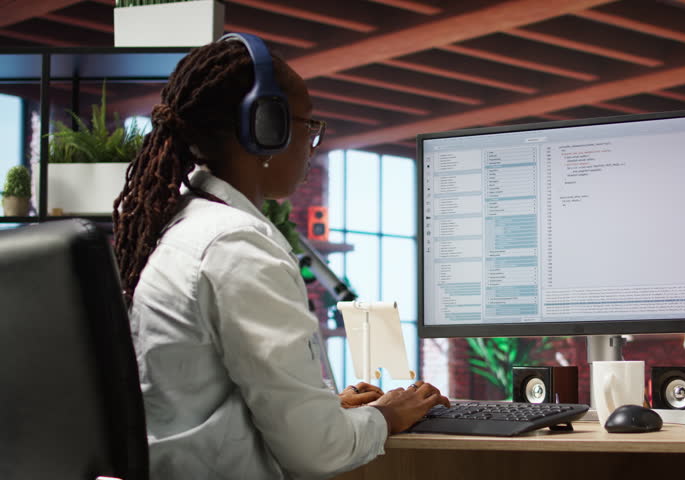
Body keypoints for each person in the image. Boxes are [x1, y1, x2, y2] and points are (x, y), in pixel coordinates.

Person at [112, 33, 449, 479]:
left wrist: (323, 407)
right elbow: (317, 454)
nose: (312, 144)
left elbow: (207, 393)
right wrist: (388, 415)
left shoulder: (184, 226)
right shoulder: (236, 245)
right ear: (265, 128)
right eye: (308, 126)